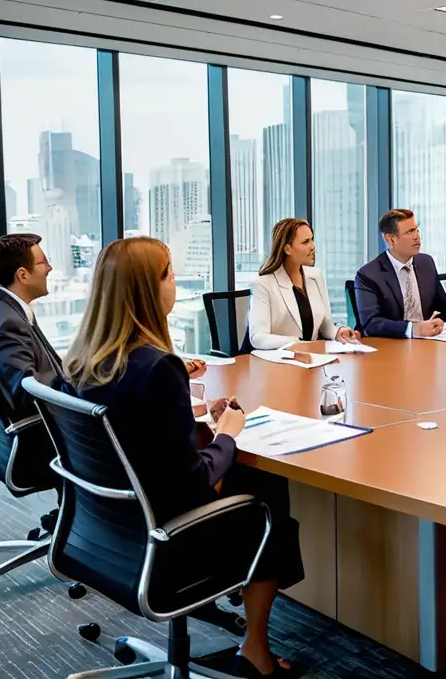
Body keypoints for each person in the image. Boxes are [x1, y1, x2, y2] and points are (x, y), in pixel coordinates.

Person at [64, 237, 303, 678]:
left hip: (105, 533)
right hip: (165, 540)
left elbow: (135, 435)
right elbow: (192, 482)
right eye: (169, 274)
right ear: (145, 292)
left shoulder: (81, 363)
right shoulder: (158, 367)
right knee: (268, 494)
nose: (176, 282)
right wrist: (227, 435)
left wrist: (196, 425)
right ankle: (255, 651)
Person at [0, 234, 63, 421]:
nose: (49, 268)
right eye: (44, 262)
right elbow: (28, 392)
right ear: (22, 275)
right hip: (47, 433)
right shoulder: (8, 324)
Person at [355, 209, 446, 338]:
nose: (417, 236)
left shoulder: (426, 262)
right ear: (391, 239)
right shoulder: (368, 275)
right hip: (392, 347)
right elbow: (371, 323)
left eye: (416, 229)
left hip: (428, 344)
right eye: (410, 232)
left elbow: (442, 304)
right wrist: (413, 329)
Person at [248, 218, 360, 350]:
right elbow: (258, 337)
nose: (313, 246)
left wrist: (338, 332)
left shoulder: (316, 276)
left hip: (313, 359)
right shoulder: (263, 284)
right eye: (305, 242)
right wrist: (298, 343)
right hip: (280, 361)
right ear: (287, 249)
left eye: (312, 239)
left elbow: (325, 325)